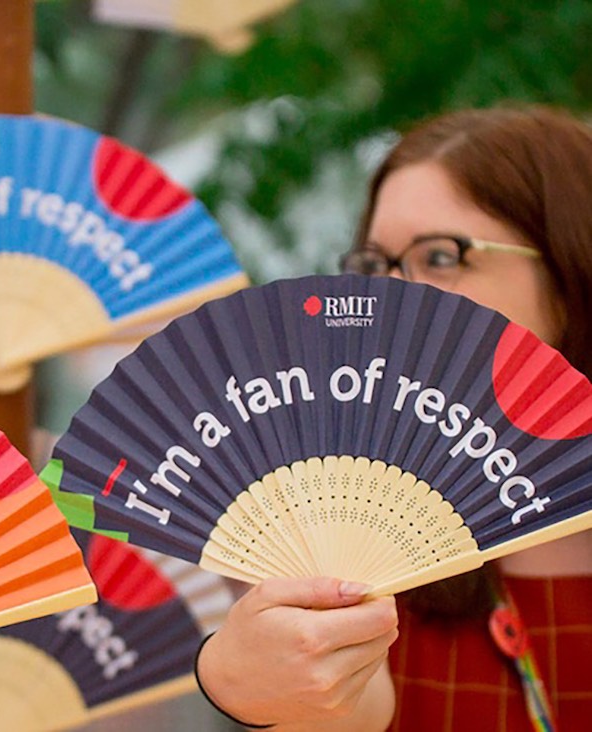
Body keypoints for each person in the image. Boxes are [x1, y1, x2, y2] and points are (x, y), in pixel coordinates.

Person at [195, 105, 592, 731]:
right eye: (375, 265)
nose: (391, 296)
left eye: (440, 258)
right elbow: (343, 708)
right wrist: (261, 683)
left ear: (570, 274)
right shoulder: (342, 516)